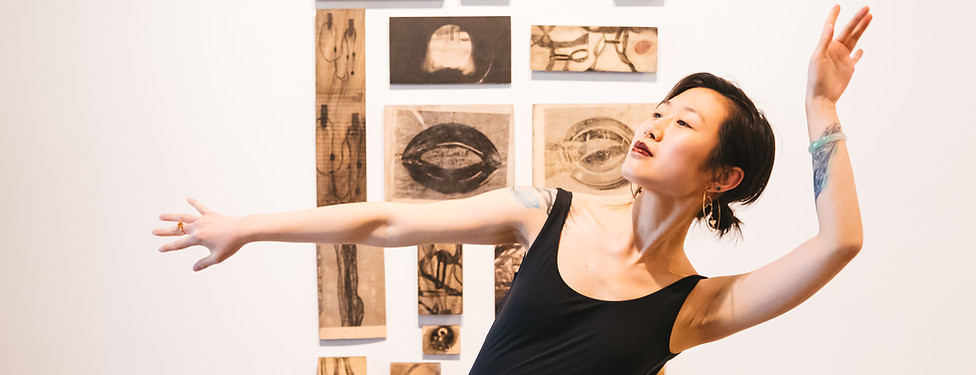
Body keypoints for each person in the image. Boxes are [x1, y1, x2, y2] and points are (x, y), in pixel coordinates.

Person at [154, 5, 871, 374]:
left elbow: (840, 241)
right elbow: (385, 222)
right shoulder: (548, 212)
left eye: (683, 121)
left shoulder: (697, 306)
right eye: (658, 109)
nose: (652, 124)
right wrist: (246, 225)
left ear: (723, 177)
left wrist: (823, 107)